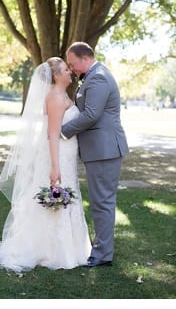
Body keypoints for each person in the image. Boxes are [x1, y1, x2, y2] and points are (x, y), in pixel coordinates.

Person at [0, 57, 91, 272]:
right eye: (65, 69)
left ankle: (73, 247)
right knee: (56, 194)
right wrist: (55, 167)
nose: (70, 71)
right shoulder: (54, 97)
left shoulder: (62, 95)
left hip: (66, 155)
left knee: (67, 196)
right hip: (57, 155)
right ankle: (51, 250)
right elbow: (52, 134)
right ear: (56, 76)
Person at [61, 42, 129, 268]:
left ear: (84, 58)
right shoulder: (93, 76)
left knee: (103, 203)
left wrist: (63, 131)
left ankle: (102, 255)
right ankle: (101, 249)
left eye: (72, 64)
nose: (72, 69)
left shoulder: (98, 77)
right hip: (100, 149)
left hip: (104, 150)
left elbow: (91, 114)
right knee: (102, 201)